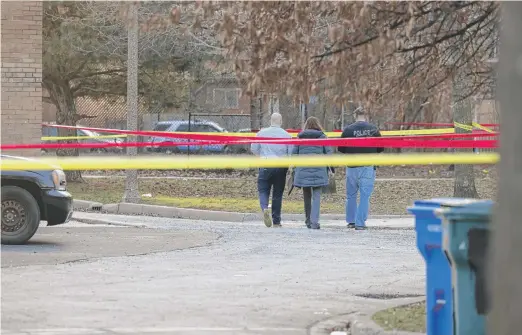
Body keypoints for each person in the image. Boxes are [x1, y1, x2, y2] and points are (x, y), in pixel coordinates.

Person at [338, 107, 384, 230]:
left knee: (351, 195)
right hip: (368, 166)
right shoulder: (374, 129)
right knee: (365, 196)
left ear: (355, 116)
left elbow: (340, 148)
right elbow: (381, 148)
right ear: (366, 116)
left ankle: (351, 221)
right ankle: (360, 223)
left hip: (352, 166)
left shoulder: (348, 130)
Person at [251, 113, 293, 228]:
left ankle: (265, 208)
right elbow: (290, 153)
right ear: (281, 121)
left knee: (263, 190)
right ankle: (276, 220)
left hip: (265, 163)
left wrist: (262, 155)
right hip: (280, 166)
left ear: (271, 121)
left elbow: (254, 149)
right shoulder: (287, 135)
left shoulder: (261, 133)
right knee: (277, 193)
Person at [292, 117, 334, 230]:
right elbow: (329, 154)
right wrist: (331, 168)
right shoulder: (323, 137)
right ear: (318, 125)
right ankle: (314, 222)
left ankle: (307, 220)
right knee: (316, 197)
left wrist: (295, 167)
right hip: (319, 170)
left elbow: (293, 155)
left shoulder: (300, 137)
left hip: (303, 170)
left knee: (306, 196)